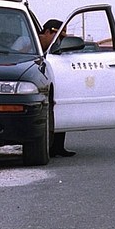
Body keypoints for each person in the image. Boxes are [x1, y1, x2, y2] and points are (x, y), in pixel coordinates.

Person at [39, 19, 77, 158]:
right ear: (47, 32)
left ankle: (58, 147)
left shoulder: (54, 49)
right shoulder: (30, 42)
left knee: (59, 106)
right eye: (58, 36)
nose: (59, 41)